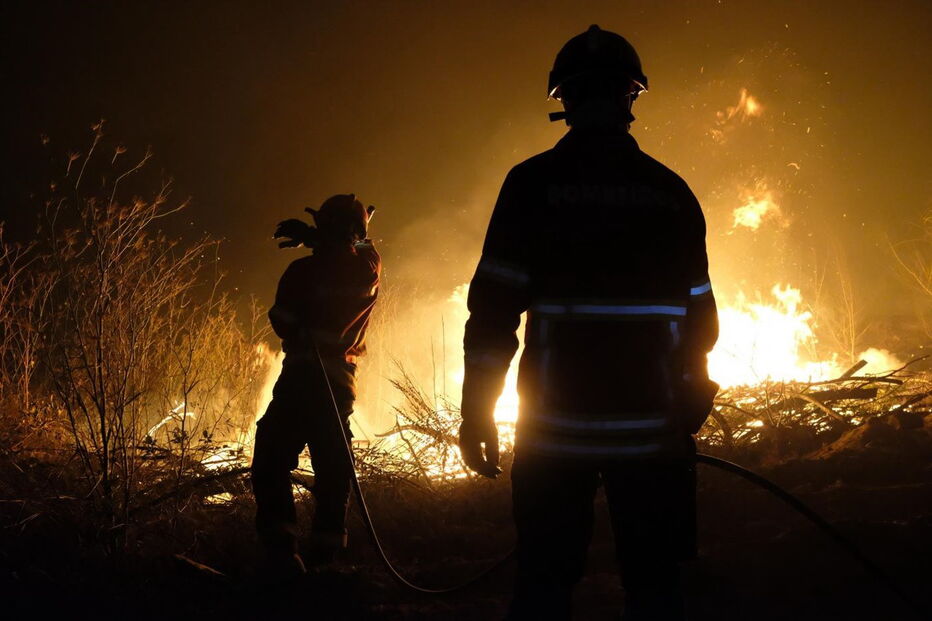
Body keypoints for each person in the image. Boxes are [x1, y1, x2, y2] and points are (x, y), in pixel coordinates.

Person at [459, 25, 719, 620]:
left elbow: (494, 313)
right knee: (655, 588)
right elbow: (700, 315)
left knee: (545, 586)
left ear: (564, 101)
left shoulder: (532, 186)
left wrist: (479, 404)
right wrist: (691, 391)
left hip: (555, 437)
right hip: (652, 436)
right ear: (633, 98)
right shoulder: (670, 192)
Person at [251, 194, 380, 577]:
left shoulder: (300, 272)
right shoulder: (369, 270)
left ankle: (281, 552)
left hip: (299, 380)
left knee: (271, 460)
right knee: (333, 467)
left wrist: (313, 241)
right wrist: (319, 237)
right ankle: (326, 555)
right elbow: (362, 245)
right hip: (341, 383)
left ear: (324, 227)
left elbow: (282, 320)